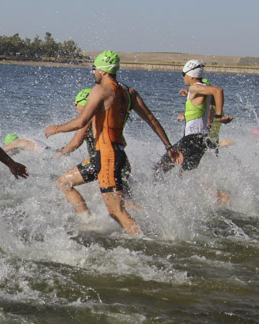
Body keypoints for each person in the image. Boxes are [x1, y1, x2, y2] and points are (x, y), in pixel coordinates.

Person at [45, 53, 179, 233]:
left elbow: (82, 121)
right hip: (109, 155)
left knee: (116, 212)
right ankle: (88, 220)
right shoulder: (129, 93)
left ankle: (143, 241)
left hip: (108, 157)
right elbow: (152, 120)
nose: (93, 73)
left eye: (94, 69)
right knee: (63, 182)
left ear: (102, 70)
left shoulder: (101, 90)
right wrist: (168, 146)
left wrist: (55, 129)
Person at [157, 60, 232, 171]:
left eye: (183, 74)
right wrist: (189, 95)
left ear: (191, 76)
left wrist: (219, 116)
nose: (183, 77)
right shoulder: (200, 88)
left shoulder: (194, 88)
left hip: (191, 139)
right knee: (186, 176)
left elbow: (218, 91)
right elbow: (207, 103)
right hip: (201, 140)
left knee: (160, 168)